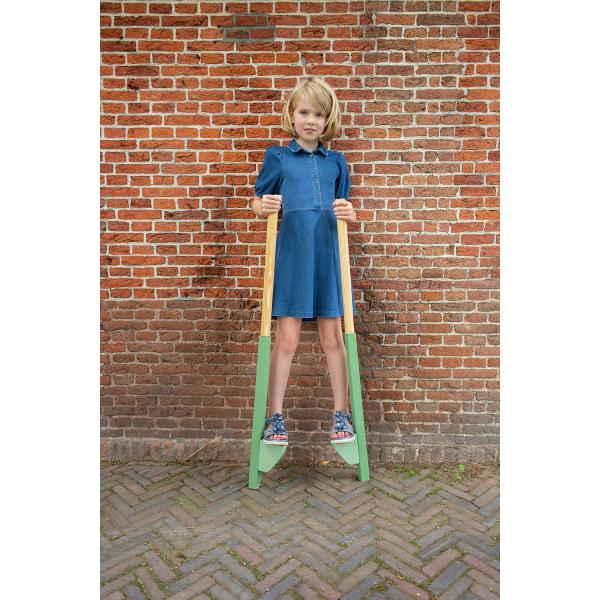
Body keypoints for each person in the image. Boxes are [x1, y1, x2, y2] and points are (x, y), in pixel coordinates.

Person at [252, 76, 358, 447]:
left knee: (333, 336)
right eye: (304, 112)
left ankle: (342, 413)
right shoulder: (278, 157)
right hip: (294, 256)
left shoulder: (336, 162)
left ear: (328, 120)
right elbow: (258, 201)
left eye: (318, 114)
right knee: (287, 339)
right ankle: (275, 417)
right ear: (292, 114)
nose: (311, 120)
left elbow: (344, 206)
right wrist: (263, 205)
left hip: (328, 255)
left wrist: (350, 213)